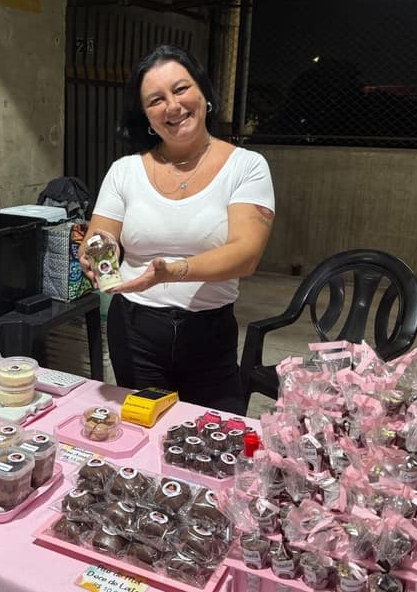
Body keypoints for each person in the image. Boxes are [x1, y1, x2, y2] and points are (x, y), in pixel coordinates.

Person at [78, 45, 275, 415]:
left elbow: (246, 254)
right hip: (134, 328)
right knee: (142, 432)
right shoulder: (125, 170)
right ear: (147, 117)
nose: (172, 106)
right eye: (156, 100)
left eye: (181, 89)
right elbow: (101, 234)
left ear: (203, 93)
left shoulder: (246, 167)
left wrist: (171, 271)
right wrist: (96, 248)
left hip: (209, 334)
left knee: (213, 437)